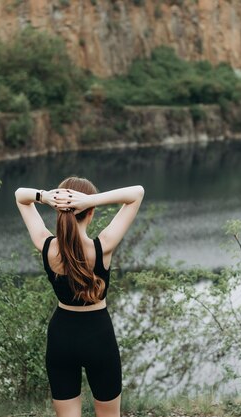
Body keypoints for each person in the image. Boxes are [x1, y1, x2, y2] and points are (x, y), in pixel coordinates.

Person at [15, 176, 145, 417]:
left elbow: (20, 196)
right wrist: (90, 200)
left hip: (61, 336)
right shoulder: (102, 246)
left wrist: (45, 197)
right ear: (90, 212)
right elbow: (137, 192)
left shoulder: (47, 246)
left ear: (58, 212)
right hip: (98, 335)